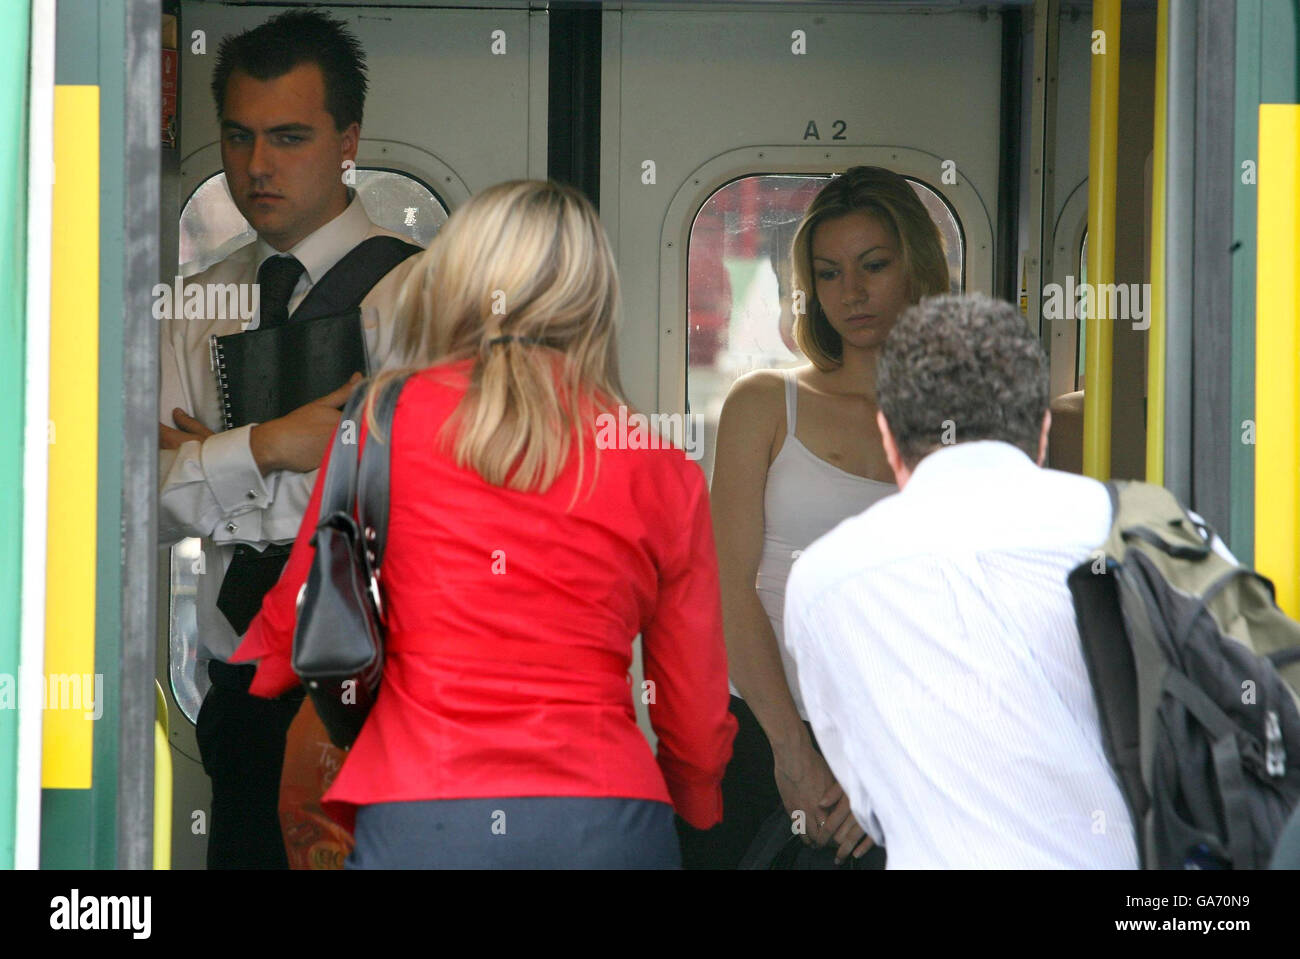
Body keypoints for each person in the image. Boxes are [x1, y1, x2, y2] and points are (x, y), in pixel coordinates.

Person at [231, 180, 737, 869]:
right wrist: (696, 798)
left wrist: (260, 678)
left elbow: (301, 611)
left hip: (422, 812)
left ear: (461, 280)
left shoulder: (382, 419)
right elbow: (695, 710)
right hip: (606, 817)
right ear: (595, 301)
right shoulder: (657, 464)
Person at [157, 10, 424, 869]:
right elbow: (135, 503)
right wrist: (271, 444)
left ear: (348, 140)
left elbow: (430, 494)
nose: (257, 166)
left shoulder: (428, 295)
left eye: (289, 137)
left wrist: (211, 465)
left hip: (392, 686)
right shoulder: (194, 305)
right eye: (238, 137)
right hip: (236, 682)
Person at [783, 293, 1139, 869]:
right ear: (1042, 431)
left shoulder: (822, 580)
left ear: (888, 435)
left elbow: (869, 792)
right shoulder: (1150, 532)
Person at [679, 167, 950, 868]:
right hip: (758, 733)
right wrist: (792, 754)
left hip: (893, 746)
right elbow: (728, 586)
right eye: (829, 273)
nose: (851, 293)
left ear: (915, 267)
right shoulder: (765, 402)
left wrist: (894, 771)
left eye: (874, 266)